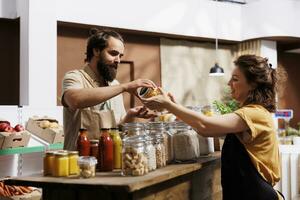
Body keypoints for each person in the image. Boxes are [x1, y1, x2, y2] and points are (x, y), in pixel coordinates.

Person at [142, 55, 286, 200]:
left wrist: (169, 105)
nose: (229, 83)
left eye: (235, 79)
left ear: (253, 84)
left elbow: (205, 126)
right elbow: (204, 127)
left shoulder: (254, 113)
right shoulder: (252, 112)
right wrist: (176, 107)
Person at [62, 28, 156, 151]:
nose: (118, 60)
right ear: (96, 50)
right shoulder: (75, 77)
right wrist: (125, 87)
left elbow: (118, 128)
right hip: (78, 164)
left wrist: (131, 115)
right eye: (113, 53)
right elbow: (74, 100)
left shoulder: (115, 85)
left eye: (120, 56)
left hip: (109, 162)